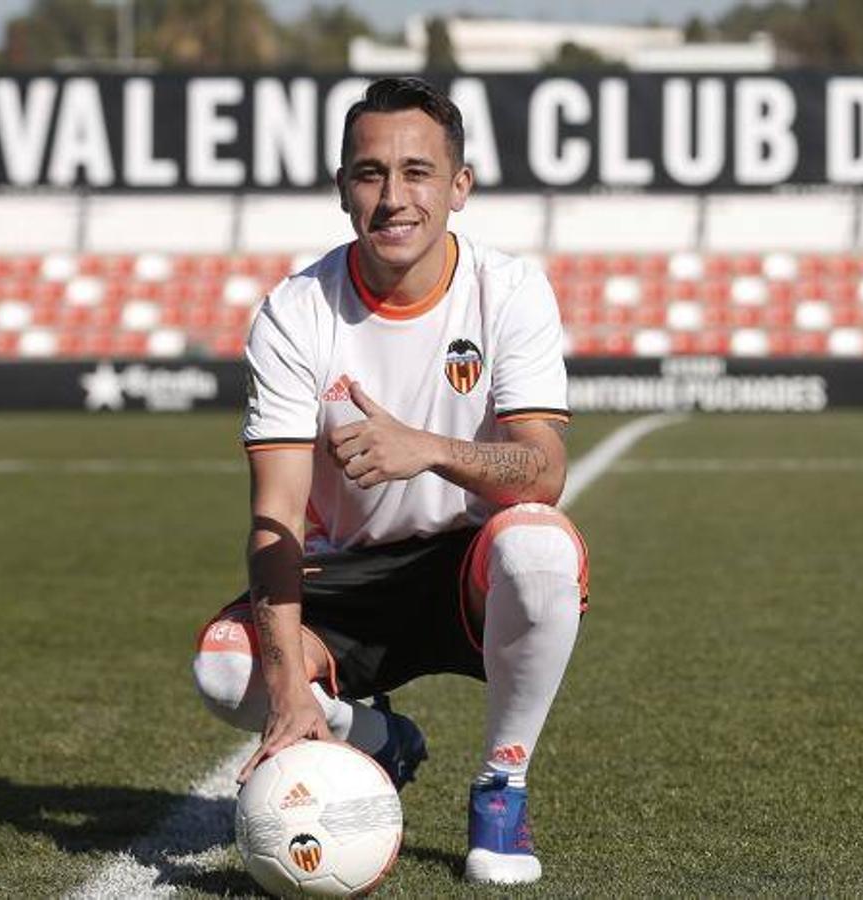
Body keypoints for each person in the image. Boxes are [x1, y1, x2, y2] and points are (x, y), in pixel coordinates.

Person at [190, 76, 587, 886]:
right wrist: (287, 688)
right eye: (370, 173)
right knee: (227, 667)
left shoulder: (508, 290)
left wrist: (429, 449)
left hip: (470, 564)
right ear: (342, 188)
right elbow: (275, 517)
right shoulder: (297, 311)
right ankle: (373, 739)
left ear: (459, 187)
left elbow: (543, 471)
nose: (393, 197)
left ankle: (501, 786)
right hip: (348, 575)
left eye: (417, 172)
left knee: (539, 545)